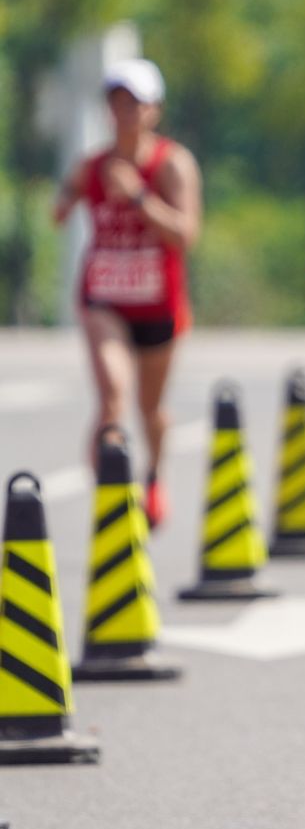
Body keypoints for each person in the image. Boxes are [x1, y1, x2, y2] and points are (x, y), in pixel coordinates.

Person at [54, 57, 201, 528]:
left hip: (158, 304)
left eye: (135, 104)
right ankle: (113, 493)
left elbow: (185, 234)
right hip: (105, 299)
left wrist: (138, 197)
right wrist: (67, 197)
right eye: (116, 103)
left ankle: (154, 477)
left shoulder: (172, 164)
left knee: (150, 409)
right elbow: (60, 207)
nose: (125, 113)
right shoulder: (92, 165)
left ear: (154, 110)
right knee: (113, 395)